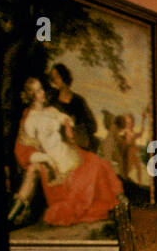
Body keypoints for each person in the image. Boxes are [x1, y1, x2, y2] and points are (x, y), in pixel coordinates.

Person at [9, 76, 123, 227]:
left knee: (98, 163)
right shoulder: (30, 119)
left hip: (67, 151)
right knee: (81, 187)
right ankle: (12, 217)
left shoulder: (51, 110)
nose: (41, 93)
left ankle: (120, 200)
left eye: (41, 89)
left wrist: (68, 121)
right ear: (31, 96)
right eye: (37, 91)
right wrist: (45, 158)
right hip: (53, 158)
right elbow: (26, 148)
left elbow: (63, 118)